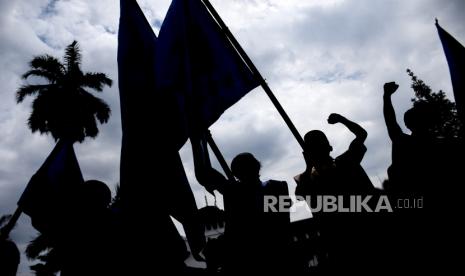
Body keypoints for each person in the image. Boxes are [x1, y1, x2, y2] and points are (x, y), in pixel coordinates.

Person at [294, 113, 375, 272]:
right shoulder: (307, 177)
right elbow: (300, 195)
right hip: (339, 239)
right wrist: (342, 120)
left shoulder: (345, 161)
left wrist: (342, 120)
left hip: (359, 232)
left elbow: (362, 135)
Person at [198, 152, 291, 274]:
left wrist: (200, 143)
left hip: (250, 256)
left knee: (212, 249)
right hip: (275, 252)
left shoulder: (233, 191)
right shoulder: (279, 187)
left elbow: (204, 172)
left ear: (237, 174)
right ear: (257, 166)